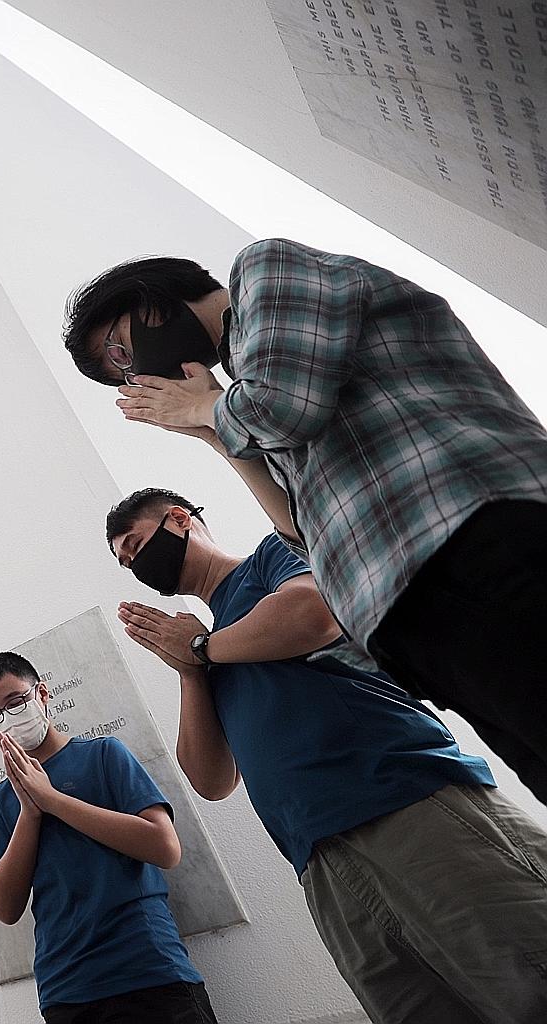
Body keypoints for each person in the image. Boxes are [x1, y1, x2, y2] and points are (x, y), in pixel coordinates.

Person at [61, 240, 547, 802]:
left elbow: (286, 407)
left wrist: (204, 407)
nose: (137, 376)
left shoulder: (264, 271)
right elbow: (300, 531)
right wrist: (211, 431)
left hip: (471, 540)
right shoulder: (242, 397)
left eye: (122, 354)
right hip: (408, 621)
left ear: (150, 301)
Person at [106, 487, 547, 1023]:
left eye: (136, 544)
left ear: (179, 520)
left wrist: (204, 649)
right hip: (322, 864)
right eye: (125, 561)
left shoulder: (272, 555)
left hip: (404, 805)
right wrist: (191, 669)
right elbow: (211, 779)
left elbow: (314, 614)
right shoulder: (213, 641)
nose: (136, 564)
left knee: (528, 978)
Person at [0, 651, 217, 1024]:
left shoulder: (104, 754)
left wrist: (53, 800)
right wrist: (30, 811)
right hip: (66, 991)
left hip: (149, 970)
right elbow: (5, 908)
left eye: (16, 702)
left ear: (42, 693)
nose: (7, 717)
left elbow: (165, 848)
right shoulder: (2, 799)